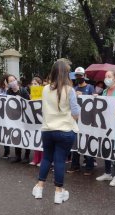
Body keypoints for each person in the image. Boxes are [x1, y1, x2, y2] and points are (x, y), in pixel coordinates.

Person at [32, 60, 80, 204]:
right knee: (59, 160)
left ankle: (39, 187)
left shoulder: (45, 89)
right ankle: (59, 192)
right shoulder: (69, 90)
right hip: (65, 130)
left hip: (48, 129)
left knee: (47, 158)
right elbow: (76, 112)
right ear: (66, 74)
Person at [67, 67, 96, 176]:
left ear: (84, 75)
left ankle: (89, 166)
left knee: (87, 143)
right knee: (75, 144)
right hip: (77, 121)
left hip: (88, 121)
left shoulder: (90, 87)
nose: (79, 77)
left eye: (81, 75)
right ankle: (75, 166)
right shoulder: (73, 89)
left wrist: (84, 96)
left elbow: (95, 101)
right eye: (77, 75)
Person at [6, 74, 31, 163]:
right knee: (16, 135)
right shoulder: (8, 92)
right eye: (10, 81)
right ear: (8, 83)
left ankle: (27, 156)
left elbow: (29, 102)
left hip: (24, 117)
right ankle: (18, 155)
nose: (12, 82)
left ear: (16, 80)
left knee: (25, 135)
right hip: (14, 117)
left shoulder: (23, 90)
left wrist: (20, 99)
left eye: (13, 80)